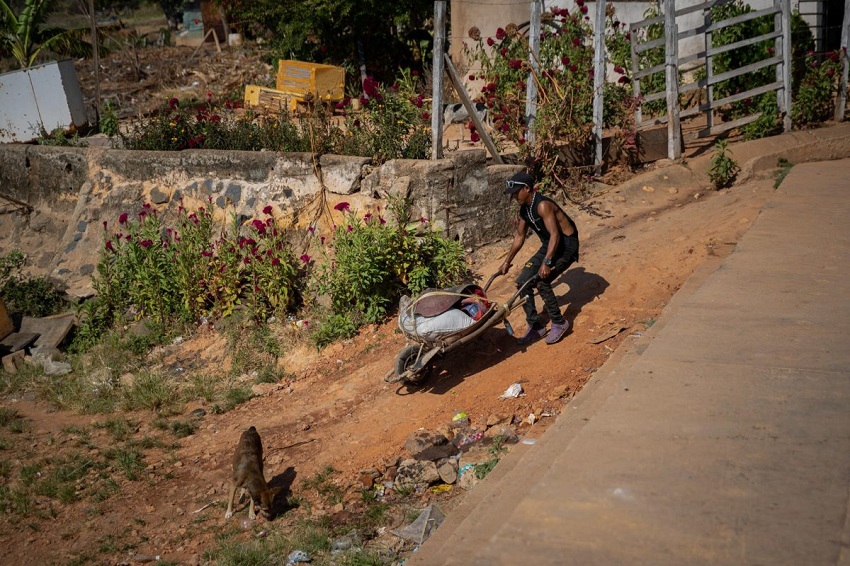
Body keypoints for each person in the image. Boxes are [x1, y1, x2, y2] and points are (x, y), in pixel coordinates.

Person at [500, 171, 579, 345]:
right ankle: (536, 327)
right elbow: (519, 237)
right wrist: (506, 262)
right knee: (523, 282)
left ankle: (559, 322)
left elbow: (556, 235)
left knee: (542, 280)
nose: (513, 197)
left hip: (566, 246)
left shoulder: (542, 205)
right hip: (549, 245)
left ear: (526, 189)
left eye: (515, 193)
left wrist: (547, 262)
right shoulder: (525, 210)